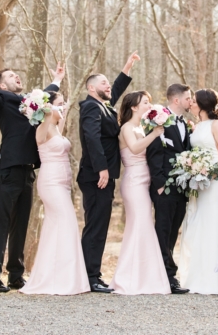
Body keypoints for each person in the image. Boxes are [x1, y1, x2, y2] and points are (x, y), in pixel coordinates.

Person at [0, 53, 64, 292]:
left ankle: (16, 275)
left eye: (16, 74)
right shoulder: (0, 99)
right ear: (2, 85)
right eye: (10, 75)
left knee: (21, 224)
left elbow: (44, 95)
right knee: (2, 222)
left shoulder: (30, 101)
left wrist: (57, 79)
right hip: (8, 169)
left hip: (28, 170)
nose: (16, 76)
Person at [78, 52, 140, 292]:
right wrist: (102, 168)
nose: (108, 86)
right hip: (95, 176)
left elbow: (114, 91)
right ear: (92, 88)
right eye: (103, 83)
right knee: (95, 225)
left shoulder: (102, 106)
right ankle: (89, 277)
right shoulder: (90, 107)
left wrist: (127, 67)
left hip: (103, 175)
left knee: (100, 224)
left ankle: (93, 273)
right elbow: (91, 138)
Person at [20, 92, 88, 295]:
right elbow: (40, 138)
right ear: (48, 108)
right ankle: (56, 279)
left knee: (57, 227)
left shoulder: (57, 129)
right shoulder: (44, 128)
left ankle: (60, 276)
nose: (63, 107)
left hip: (64, 183)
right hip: (50, 183)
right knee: (66, 222)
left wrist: (61, 104)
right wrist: (48, 111)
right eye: (59, 105)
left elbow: (62, 119)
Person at [178, 89, 218, 295]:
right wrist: (194, 169)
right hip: (200, 181)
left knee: (214, 222)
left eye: (194, 101)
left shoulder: (217, 124)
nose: (191, 104)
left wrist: (208, 171)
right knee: (201, 222)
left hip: (216, 181)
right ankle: (199, 276)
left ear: (203, 105)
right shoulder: (198, 126)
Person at [109, 91, 171, 295]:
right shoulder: (127, 127)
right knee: (139, 225)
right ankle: (129, 278)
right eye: (145, 102)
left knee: (143, 227)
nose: (149, 105)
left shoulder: (140, 127)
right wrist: (154, 134)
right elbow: (135, 148)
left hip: (145, 181)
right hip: (134, 181)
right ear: (134, 107)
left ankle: (145, 276)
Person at [146, 83, 193, 294]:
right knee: (163, 230)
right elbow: (154, 151)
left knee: (173, 231)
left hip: (181, 187)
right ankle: (166, 276)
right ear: (176, 100)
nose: (191, 102)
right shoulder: (158, 118)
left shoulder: (185, 123)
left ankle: (166, 273)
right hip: (164, 186)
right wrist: (159, 182)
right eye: (188, 98)